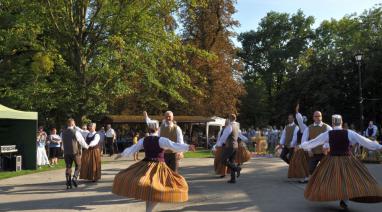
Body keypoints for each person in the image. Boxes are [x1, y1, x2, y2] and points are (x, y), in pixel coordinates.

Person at [112, 116, 195, 212]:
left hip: (145, 166)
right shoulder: (161, 140)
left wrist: (122, 154)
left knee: (150, 190)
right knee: (159, 189)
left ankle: (148, 210)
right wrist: (188, 147)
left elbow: (133, 149)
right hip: (158, 167)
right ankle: (149, 210)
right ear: (158, 128)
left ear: (149, 129)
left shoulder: (144, 140)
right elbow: (174, 146)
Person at [298, 114, 382, 209]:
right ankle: (344, 200)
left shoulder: (328, 133)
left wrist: (301, 146)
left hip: (332, 159)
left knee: (329, 178)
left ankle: (334, 195)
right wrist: (379, 147)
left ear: (333, 123)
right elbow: (365, 141)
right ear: (341, 122)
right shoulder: (349, 133)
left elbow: (314, 142)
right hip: (347, 159)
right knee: (348, 179)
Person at [296, 107, 332, 183]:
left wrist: (326, 147)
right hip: (313, 152)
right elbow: (304, 141)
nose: (317, 118)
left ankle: (326, 180)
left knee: (326, 167)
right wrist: (309, 150)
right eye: (316, 116)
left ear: (321, 117)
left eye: (319, 116)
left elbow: (332, 139)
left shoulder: (327, 127)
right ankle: (309, 178)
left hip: (324, 152)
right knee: (310, 168)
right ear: (313, 118)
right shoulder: (309, 128)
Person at [61, 118, 89, 189]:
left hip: (66, 153)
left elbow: (62, 143)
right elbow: (81, 141)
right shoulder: (76, 132)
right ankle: (74, 178)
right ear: (73, 124)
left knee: (68, 167)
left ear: (68, 124)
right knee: (78, 165)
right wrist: (87, 147)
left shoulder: (63, 132)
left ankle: (68, 183)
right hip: (75, 152)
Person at [216, 114, 242, 183]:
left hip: (229, 146)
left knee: (223, 160)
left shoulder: (229, 127)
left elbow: (224, 137)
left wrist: (218, 144)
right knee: (232, 161)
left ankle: (237, 168)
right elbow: (240, 135)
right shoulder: (237, 126)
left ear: (230, 118)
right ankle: (233, 179)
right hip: (235, 146)